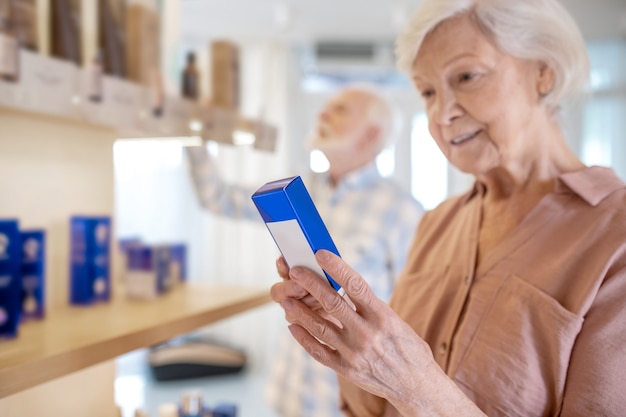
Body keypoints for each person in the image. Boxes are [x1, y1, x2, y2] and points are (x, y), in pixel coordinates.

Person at [270, 0, 626, 416]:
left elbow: (408, 389)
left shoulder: (613, 236)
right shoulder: (436, 224)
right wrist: (344, 332)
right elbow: (370, 406)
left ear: (542, 73)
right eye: (427, 92)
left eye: (467, 76)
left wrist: (417, 389)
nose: (442, 113)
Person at [185, 84, 424, 417]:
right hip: (289, 393)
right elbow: (219, 198)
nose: (322, 114)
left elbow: (412, 319)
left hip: (349, 404)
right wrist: (194, 136)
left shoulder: (404, 212)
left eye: (340, 110)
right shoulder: (295, 190)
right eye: (325, 106)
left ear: (371, 136)